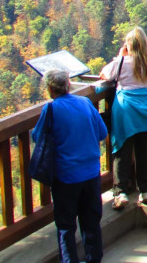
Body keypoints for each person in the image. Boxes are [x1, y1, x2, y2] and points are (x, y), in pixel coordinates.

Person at [32, 69, 108, 263]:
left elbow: (37, 137)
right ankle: (94, 259)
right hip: (91, 173)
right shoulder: (85, 102)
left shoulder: (51, 110)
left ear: (50, 89)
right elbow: (102, 132)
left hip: (66, 177)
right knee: (91, 222)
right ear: (68, 85)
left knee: (66, 226)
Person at [99, 26, 147, 209]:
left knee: (122, 150)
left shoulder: (121, 63)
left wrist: (120, 57)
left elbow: (104, 74)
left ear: (129, 46)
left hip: (126, 111)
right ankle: (146, 190)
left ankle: (121, 192)